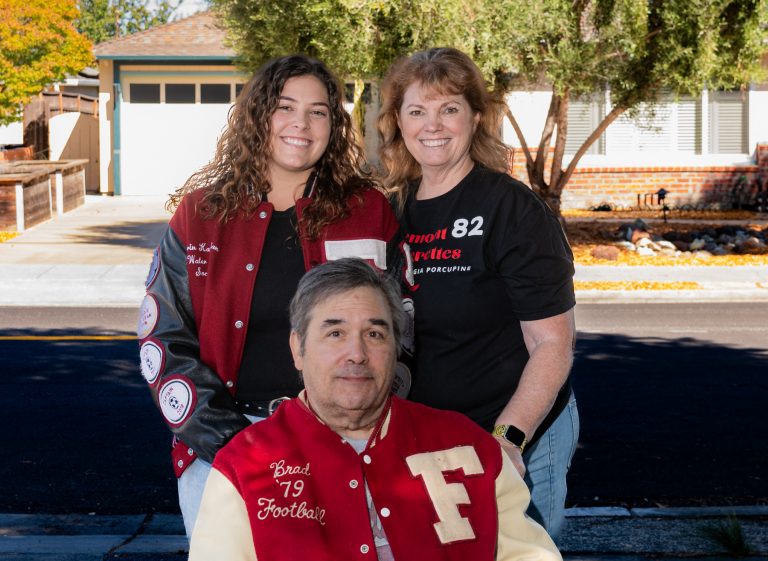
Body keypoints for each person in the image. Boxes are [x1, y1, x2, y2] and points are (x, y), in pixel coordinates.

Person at [136, 55, 402, 538]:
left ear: (333, 125)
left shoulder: (367, 212)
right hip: (222, 452)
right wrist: (235, 444)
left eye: (318, 111)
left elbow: (401, 331)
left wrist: (359, 431)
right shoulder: (200, 216)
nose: (301, 123)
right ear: (258, 116)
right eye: (285, 107)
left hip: (347, 443)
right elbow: (163, 340)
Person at [188, 258, 561, 561]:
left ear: (396, 349)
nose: (357, 354)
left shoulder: (469, 445)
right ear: (297, 349)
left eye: (375, 334)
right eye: (335, 333)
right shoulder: (243, 465)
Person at [377, 47, 578, 539]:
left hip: (516, 430)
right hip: (425, 439)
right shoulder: (391, 212)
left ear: (475, 117)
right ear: (398, 122)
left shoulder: (512, 209)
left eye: (449, 109)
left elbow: (552, 343)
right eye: (417, 111)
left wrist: (507, 439)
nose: (433, 125)